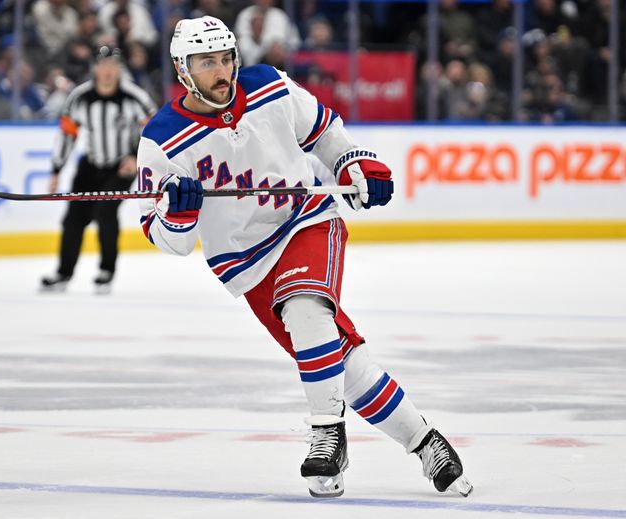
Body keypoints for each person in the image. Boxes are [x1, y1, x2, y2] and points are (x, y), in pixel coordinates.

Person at [135, 16, 473, 499]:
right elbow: (169, 239)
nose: (222, 70)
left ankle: (326, 433)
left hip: (306, 220)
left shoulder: (270, 85)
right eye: (207, 62)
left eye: (226, 58)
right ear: (183, 70)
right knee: (342, 364)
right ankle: (425, 442)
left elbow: (324, 133)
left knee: (304, 305)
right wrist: (178, 216)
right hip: (247, 265)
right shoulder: (162, 138)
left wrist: (352, 161)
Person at [41, 45, 156, 294]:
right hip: (91, 165)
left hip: (121, 167)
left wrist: (136, 157)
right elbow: (67, 135)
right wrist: (56, 169)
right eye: (103, 66)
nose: (107, 71)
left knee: (105, 211)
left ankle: (106, 270)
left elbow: (156, 130)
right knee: (73, 218)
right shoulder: (80, 97)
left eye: (113, 66)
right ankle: (63, 273)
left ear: (119, 69)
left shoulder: (134, 97)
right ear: (95, 68)